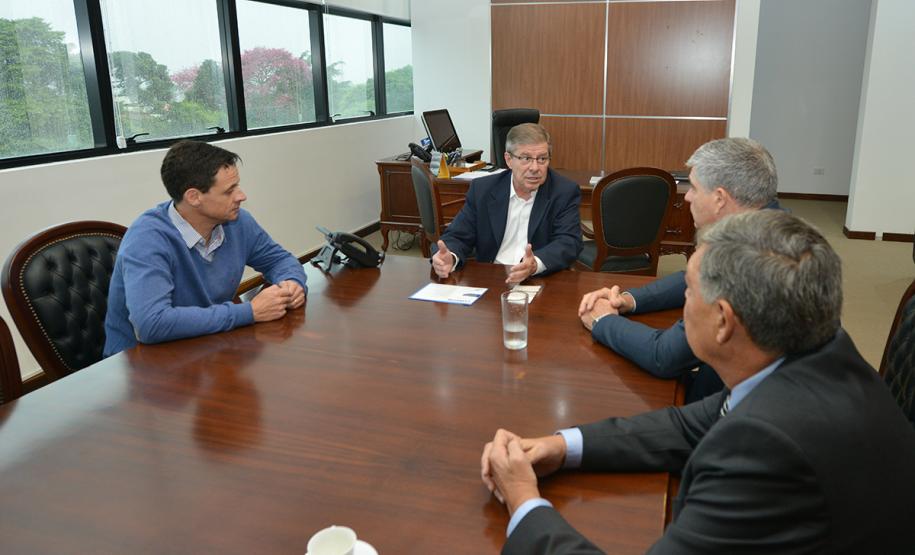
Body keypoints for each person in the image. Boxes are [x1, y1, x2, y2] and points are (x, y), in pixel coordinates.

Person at [481, 210, 915, 554]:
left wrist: (523, 500)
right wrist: (563, 446)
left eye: (688, 291)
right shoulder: (820, 350)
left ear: (724, 321)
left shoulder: (765, 449)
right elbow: (691, 425)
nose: (681, 304)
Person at [578, 137, 780, 401]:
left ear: (720, 198)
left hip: (729, 407)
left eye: (694, 188)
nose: (688, 198)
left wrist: (603, 320)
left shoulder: (747, 257)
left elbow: (665, 356)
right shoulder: (772, 223)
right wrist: (629, 300)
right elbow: (693, 278)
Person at [104, 140, 307, 356]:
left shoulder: (238, 223)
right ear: (194, 197)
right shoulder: (147, 239)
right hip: (142, 366)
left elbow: (279, 260)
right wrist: (249, 312)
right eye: (229, 191)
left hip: (206, 348)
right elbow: (152, 325)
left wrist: (291, 284)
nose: (241, 196)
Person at [431, 123, 582, 284]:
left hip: (539, 280)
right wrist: (450, 257)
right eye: (526, 159)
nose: (535, 167)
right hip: (490, 279)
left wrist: (535, 264)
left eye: (542, 159)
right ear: (508, 160)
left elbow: (569, 242)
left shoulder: (563, 191)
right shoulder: (483, 190)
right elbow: (457, 235)